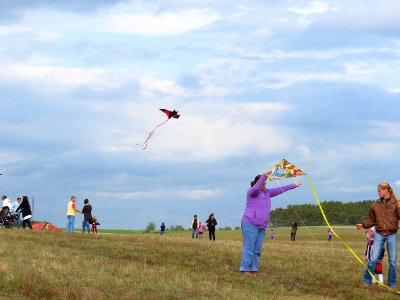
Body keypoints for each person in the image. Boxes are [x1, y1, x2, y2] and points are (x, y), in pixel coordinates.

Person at [240, 171, 302, 275]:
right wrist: (264, 176)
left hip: (261, 226)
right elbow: (256, 188)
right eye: (263, 183)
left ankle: (254, 269)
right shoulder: (251, 192)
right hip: (250, 224)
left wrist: (293, 185)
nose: (264, 185)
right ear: (257, 183)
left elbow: (280, 190)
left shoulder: (267, 192)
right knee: (249, 247)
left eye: (265, 184)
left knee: (257, 249)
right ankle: (245, 269)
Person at [356, 182, 400, 288]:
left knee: (392, 261)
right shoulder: (375, 205)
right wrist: (363, 224)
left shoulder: (396, 203)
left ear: (386, 190)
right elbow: (372, 220)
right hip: (379, 234)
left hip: (392, 234)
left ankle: (392, 284)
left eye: (379, 190)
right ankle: (366, 281)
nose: (378, 191)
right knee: (373, 259)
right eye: (378, 189)